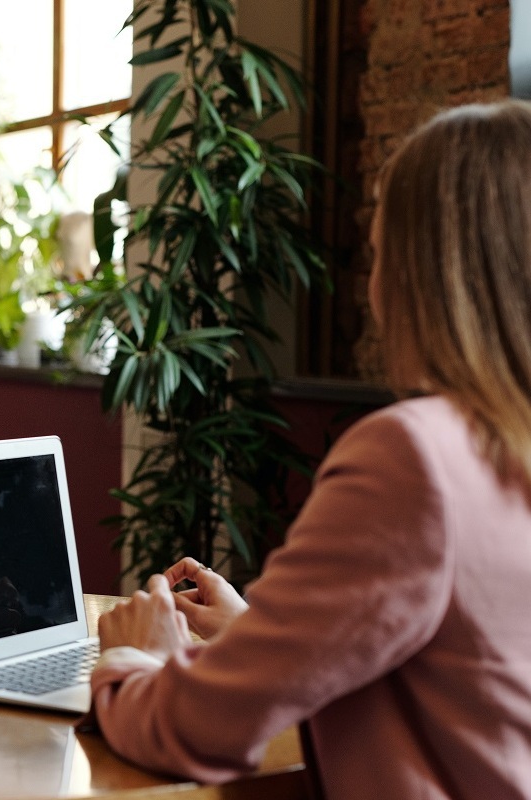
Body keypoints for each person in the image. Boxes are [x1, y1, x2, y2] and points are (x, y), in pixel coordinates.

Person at [89, 101, 531, 799]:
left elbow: (201, 728)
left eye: (380, 253)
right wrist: (263, 636)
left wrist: (133, 659)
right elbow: (466, 668)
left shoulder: (415, 456)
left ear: (423, 276)